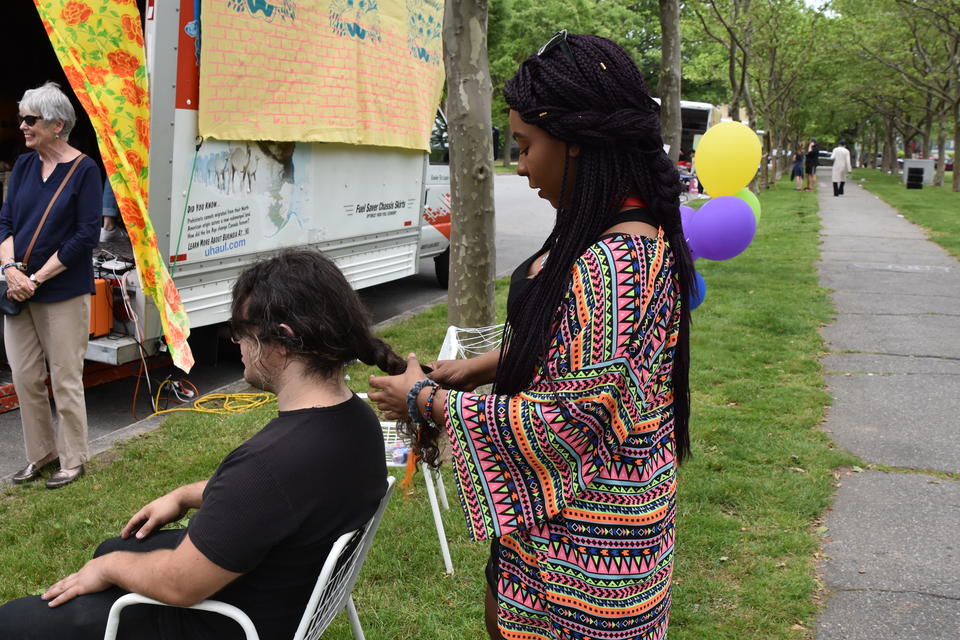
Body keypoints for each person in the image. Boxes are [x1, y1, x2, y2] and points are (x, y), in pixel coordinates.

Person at [370, 31, 694, 640]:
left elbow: (569, 419)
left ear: (576, 144)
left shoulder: (613, 264)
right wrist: (488, 364)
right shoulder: (625, 234)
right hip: (589, 530)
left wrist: (424, 399)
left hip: (585, 553)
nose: (518, 166)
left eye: (524, 146)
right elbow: (591, 360)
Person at [0, 249, 395, 639]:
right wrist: (186, 495)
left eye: (240, 331)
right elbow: (286, 498)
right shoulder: (356, 422)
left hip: (224, 621)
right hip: (282, 598)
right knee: (112, 546)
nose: (236, 343)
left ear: (283, 341)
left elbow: (179, 585)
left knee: (16, 619)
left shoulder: (270, 464)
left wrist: (107, 570)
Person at [0, 81, 101, 489]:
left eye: (30, 119)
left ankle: (73, 459)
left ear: (58, 125)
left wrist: (35, 278)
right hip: (16, 287)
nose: (22, 126)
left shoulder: (85, 170)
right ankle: (41, 454)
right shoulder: (23, 166)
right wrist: (9, 271)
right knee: (24, 376)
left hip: (61, 291)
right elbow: (5, 221)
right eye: (21, 118)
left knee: (64, 377)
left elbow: (85, 236)